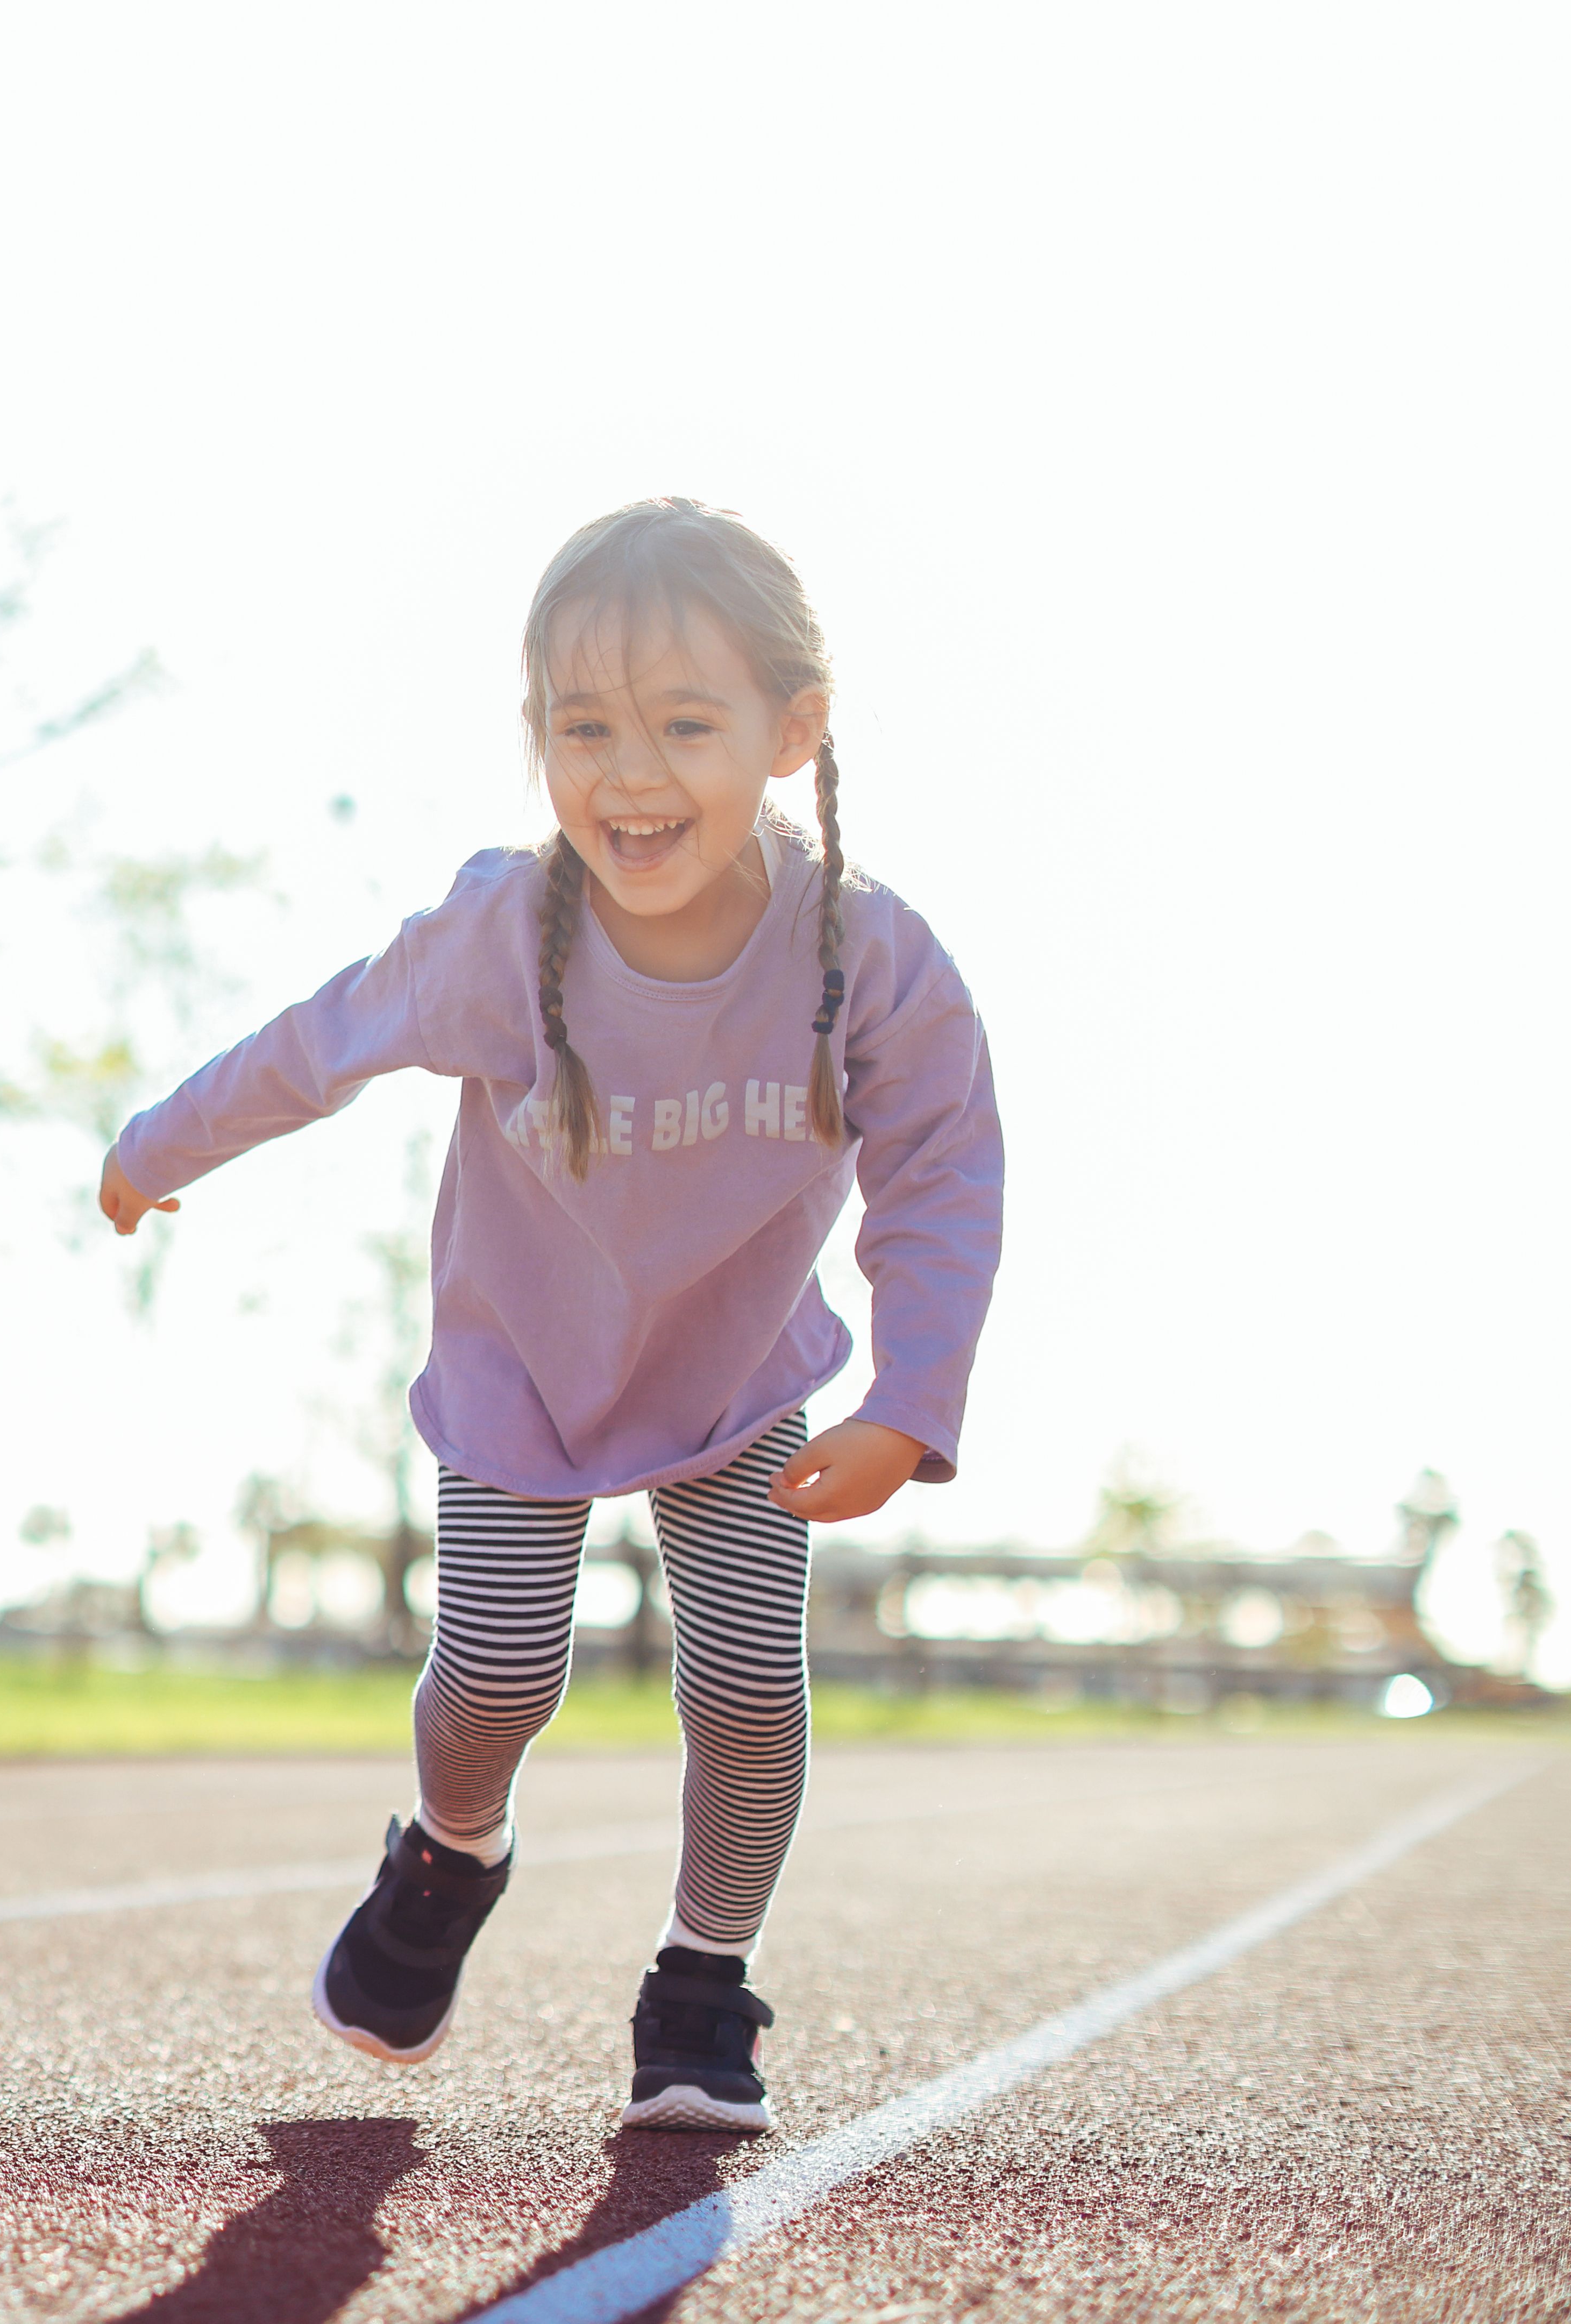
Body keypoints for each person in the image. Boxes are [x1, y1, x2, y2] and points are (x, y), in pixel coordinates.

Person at [98, 498, 1001, 2132]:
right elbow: (323, 1039)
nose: (628, 773)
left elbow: (939, 1168)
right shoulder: (508, 935)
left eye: (682, 724)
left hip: (731, 1386)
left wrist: (908, 1401)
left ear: (791, 734)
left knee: (743, 1684)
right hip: (519, 1368)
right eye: (582, 728)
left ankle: (701, 1985)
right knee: (501, 1673)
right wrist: (158, 1146)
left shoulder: (866, 956)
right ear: (537, 740)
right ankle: (447, 1854)